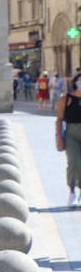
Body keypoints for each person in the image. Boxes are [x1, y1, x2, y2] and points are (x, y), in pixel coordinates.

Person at [57, 74, 81, 208]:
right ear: (75, 82)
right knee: (74, 163)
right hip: (72, 134)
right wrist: (59, 138)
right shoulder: (66, 99)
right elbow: (60, 119)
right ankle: (72, 192)